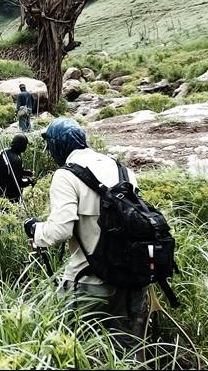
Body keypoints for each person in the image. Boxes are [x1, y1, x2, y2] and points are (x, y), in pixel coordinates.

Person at [24, 117, 149, 352]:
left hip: (89, 281)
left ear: (58, 145)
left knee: (69, 348)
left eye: (49, 145)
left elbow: (59, 232)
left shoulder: (66, 175)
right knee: (128, 351)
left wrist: (35, 229)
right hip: (132, 277)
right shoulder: (123, 170)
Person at [0, 134, 34, 203]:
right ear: (20, 146)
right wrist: (29, 181)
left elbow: (8, 171)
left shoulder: (4, 152)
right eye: (25, 145)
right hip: (7, 195)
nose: (26, 147)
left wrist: (25, 172)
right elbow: (18, 183)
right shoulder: (16, 160)